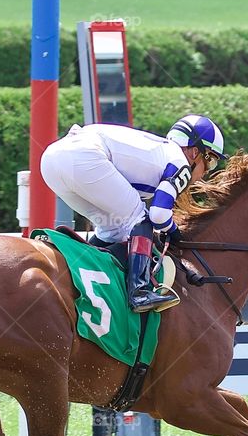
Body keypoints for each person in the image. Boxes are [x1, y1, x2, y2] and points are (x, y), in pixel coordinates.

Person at [40, 114, 228, 313]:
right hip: (83, 156)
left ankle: (77, 279)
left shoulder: (162, 152)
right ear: (194, 151)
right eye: (211, 161)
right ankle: (139, 292)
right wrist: (174, 232)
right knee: (141, 219)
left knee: (111, 230)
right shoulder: (180, 162)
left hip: (51, 161)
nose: (207, 171)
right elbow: (158, 214)